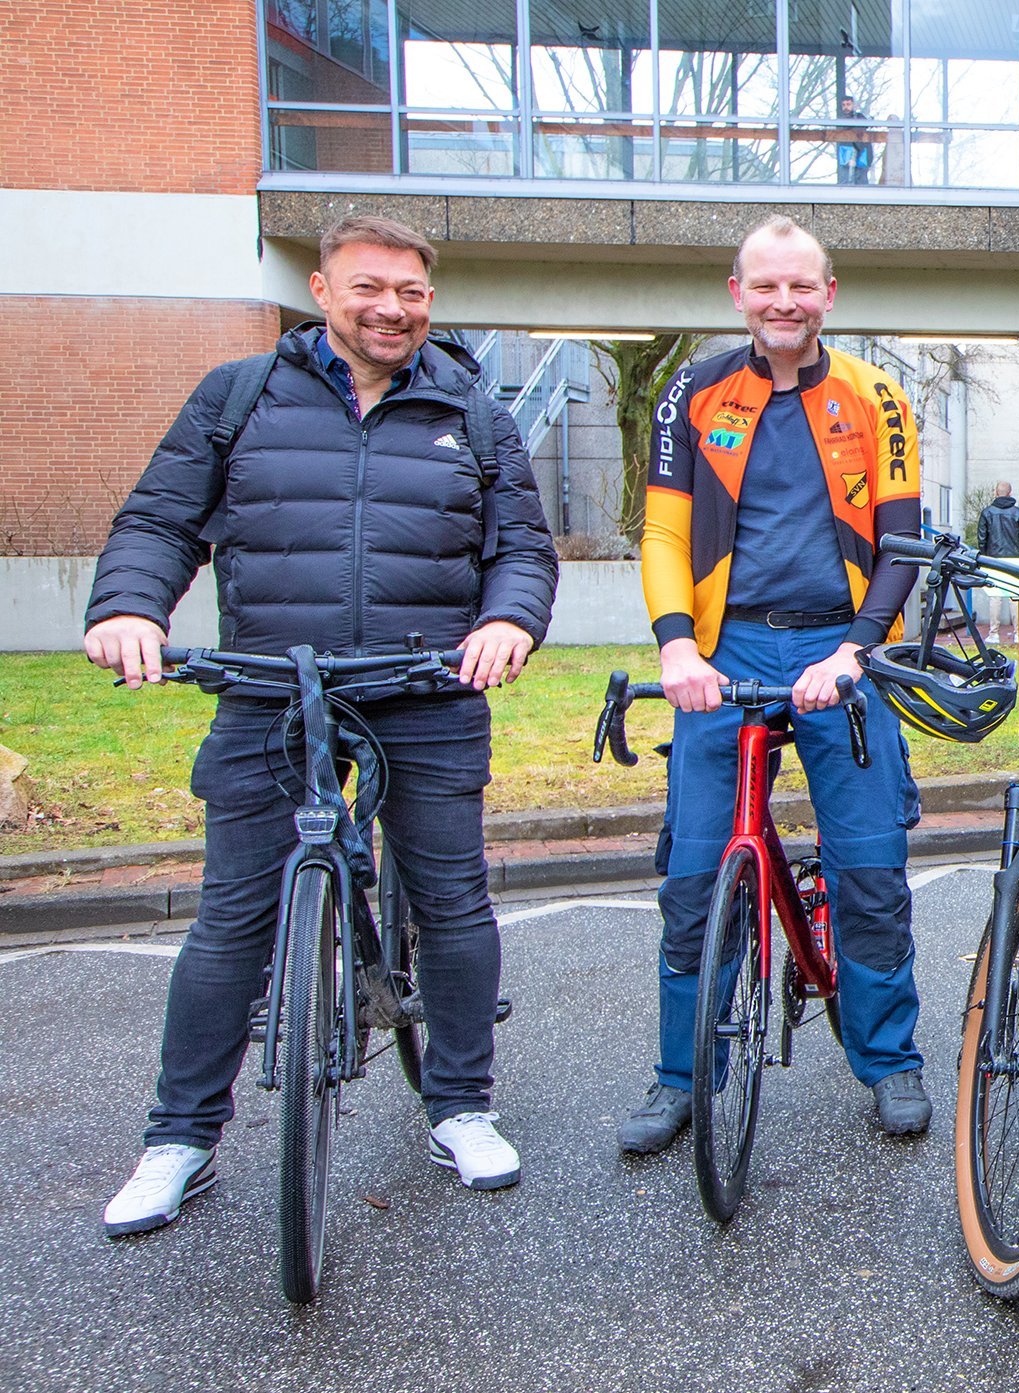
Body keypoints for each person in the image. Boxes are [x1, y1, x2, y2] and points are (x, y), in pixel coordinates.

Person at [85, 215, 558, 1234]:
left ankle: (462, 1105)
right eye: (369, 287)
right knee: (231, 920)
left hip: (423, 688)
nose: (391, 308)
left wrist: (508, 621)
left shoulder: (471, 409)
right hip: (271, 684)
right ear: (321, 289)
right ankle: (180, 1138)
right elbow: (160, 519)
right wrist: (129, 605)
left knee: (455, 899)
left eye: (412, 292)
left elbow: (521, 546)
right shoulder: (239, 395)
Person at [621, 215, 929, 1152]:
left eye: (801, 286)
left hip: (842, 645)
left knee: (869, 869)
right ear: (737, 293)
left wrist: (856, 653)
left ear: (828, 294)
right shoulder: (691, 391)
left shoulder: (877, 395)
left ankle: (889, 1058)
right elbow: (666, 532)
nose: (783, 302)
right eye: (766, 287)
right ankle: (684, 1072)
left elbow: (902, 541)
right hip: (727, 649)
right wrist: (678, 649)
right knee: (691, 880)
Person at [976, 481, 1019, 634]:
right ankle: (1018, 632)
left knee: (995, 597)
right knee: (1015, 596)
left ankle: (994, 633)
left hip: (993, 559)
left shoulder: (987, 513)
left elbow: (982, 538)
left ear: (996, 492)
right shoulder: (1018, 513)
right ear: (1010, 493)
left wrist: (984, 558)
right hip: (1015, 559)